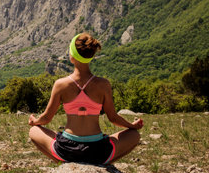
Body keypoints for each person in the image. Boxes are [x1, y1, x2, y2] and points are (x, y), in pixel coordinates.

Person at [29, 33, 143, 164]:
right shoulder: (103, 84)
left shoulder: (61, 84)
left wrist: (34, 121)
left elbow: (47, 118)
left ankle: (63, 162)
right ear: (91, 56)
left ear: (71, 57)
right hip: (98, 149)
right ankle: (102, 163)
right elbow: (113, 118)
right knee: (134, 135)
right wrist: (131, 126)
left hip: (67, 149)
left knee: (34, 131)